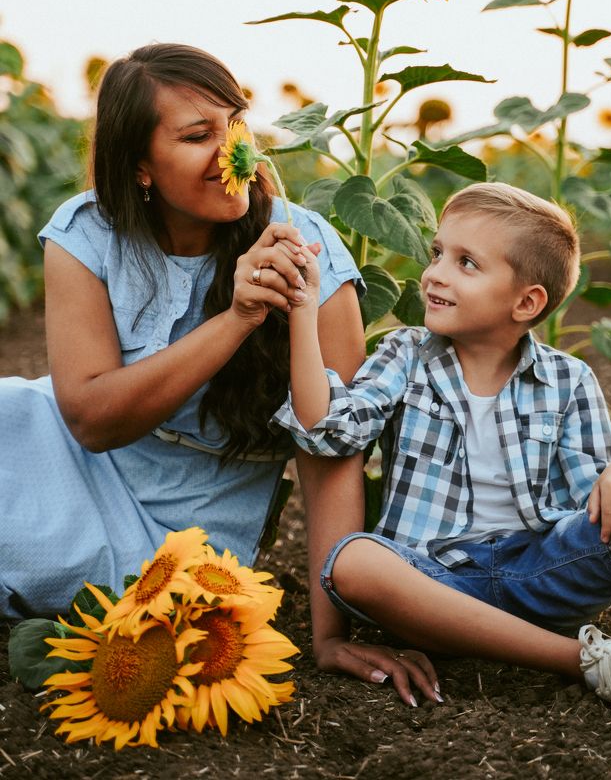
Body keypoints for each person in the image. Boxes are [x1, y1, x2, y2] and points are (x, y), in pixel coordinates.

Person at [0, 42, 438, 699]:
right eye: (198, 134)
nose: (233, 149)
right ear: (140, 165)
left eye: (236, 124)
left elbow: (332, 450)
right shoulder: (89, 233)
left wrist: (331, 633)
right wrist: (235, 318)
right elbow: (90, 420)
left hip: (184, 535)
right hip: (59, 452)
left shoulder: (304, 247)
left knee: (125, 611)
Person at [275, 181, 611, 719]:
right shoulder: (406, 355)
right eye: (438, 253)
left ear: (526, 302)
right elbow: (329, 430)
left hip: (538, 577)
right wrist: (301, 309)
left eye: (466, 263)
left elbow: (595, 503)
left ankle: (566, 650)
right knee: (354, 562)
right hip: (433, 584)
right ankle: (593, 662)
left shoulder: (568, 379)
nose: (435, 272)